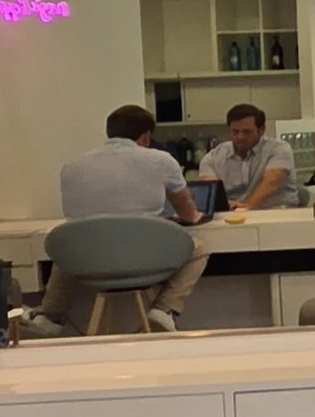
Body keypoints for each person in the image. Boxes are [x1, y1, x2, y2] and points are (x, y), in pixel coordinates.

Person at [30, 105, 207, 335]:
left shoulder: (72, 165)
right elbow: (188, 214)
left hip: (88, 262)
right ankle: (164, 310)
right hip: (144, 261)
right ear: (145, 136)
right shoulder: (161, 160)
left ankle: (50, 316)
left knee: (72, 245)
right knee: (198, 249)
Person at [200, 104, 300, 213]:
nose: (240, 137)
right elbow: (210, 191)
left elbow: (271, 183)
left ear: (261, 130)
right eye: (235, 131)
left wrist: (245, 207)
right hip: (231, 216)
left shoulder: (279, 149)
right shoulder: (214, 157)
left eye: (247, 132)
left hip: (276, 214)